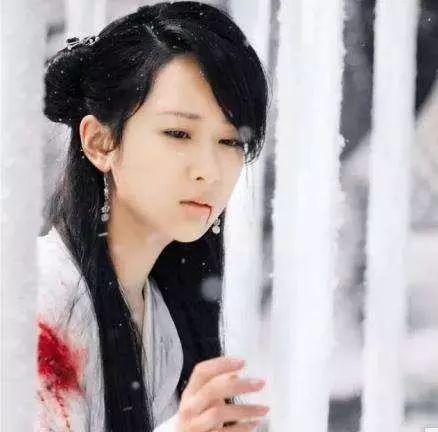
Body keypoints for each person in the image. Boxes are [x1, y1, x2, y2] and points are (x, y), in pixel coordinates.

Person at [36, 1, 270, 431]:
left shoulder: (164, 316)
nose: (209, 170)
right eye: (178, 133)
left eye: (230, 141)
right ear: (100, 142)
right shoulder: (36, 300)